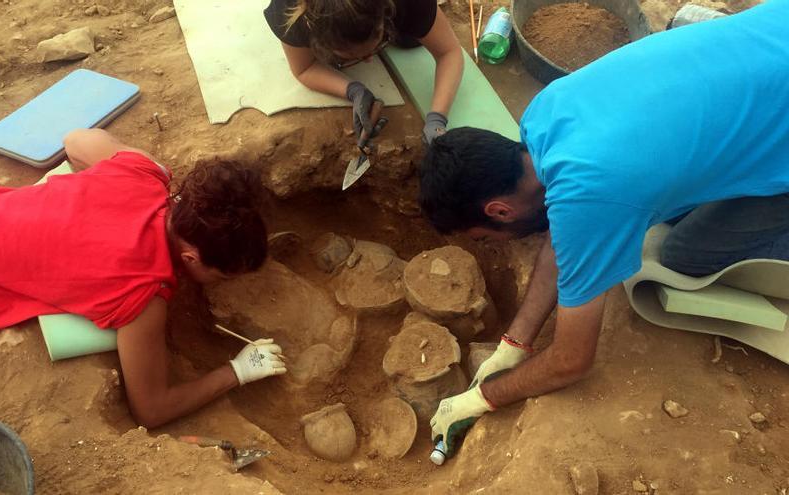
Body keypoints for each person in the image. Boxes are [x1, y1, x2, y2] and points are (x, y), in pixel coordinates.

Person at [418, 0, 789, 457]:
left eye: (482, 238)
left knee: (686, 256)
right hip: (775, 31)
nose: (490, 244)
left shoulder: (589, 197)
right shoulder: (544, 115)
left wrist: (482, 398)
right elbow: (564, 228)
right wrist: (516, 342)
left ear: (498, 210)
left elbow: (572, 362)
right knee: (670, 197)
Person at [0, 129, 287, 428]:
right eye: (220, 276)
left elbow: (75, 140)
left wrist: (91, 207)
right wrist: (236, 371)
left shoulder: (144, 170)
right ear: (190, 257)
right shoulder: (144, 293)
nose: (221, 283)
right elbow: (152, 409)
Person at [263, 0, 464, 145]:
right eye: (351, 57)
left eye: (376, 47)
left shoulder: (411, 3)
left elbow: (449, 53)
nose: (369, 60)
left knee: (409, 42)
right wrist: (353, 90)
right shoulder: (288, 13)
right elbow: (304, 69)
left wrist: (437, 118)